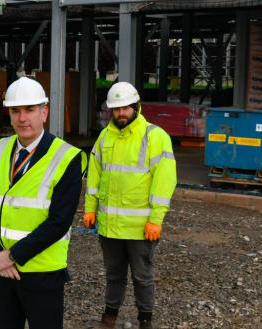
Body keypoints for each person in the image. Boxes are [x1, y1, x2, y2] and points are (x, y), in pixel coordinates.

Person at [0, 77, 84, 329]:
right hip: (1, 271)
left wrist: (12, 256)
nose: (23, 118)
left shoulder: (66, 157)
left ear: (44, 112)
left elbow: (59, 221)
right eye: (16, 111)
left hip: (42, 273)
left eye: (30, 110)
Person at [84, 82, 176, 329]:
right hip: (109, 226)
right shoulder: (105, 137)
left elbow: (164, 181)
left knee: (142, 277)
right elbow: (94, 175)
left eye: (125, 108)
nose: (121, 114)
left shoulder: (154, 136)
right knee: (113, 275)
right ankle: (109, 317)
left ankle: (145, 320)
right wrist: (90, 208)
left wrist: (156, 220)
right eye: (116, 109)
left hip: (140, 227)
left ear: (136, 106)